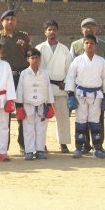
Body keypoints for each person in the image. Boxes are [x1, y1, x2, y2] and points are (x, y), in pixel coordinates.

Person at [0, 10, 31, 154]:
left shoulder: (23, 37)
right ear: (2, 22)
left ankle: (24, 145)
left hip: (21, 77)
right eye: (7, 19)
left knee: (21, 111)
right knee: (4, 112)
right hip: (4, 80)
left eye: (12, 19)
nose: (10, 22)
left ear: (16, 21)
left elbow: (30, 55)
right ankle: (3, 147)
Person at [70, 17, 105, 154]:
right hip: (81, 92)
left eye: (92, 26)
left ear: (96, 29)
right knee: (81, 120)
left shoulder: (104, 47)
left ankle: (98, 146)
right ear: (81, 29)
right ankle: (82, 146)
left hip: (97, 92)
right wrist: (70, 93)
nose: (89, 28)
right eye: (86, 26)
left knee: (96, 120)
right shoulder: (75, 47)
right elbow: (71, 73)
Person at [35, 20, 71, 153]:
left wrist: (66, 83)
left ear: (58, 31)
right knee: (42, 118)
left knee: (63, 117)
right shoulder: (39, 48)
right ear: (45, 32)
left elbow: (69, 69)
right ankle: (41, 143)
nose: (52, 32)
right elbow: (35, 67)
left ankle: (63, 143)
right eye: (49, 29)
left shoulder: (64, 49)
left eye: (54, 29)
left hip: (60, 87)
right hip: (44, 87)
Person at [16, 48, 54, 160]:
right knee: (28, 129)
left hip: (42, 105)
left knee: (41, 129)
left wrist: (50, 104)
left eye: (37, 58)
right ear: (28, 59)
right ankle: (29, 151)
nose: (35, 60)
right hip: (28, 105)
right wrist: (19, 106)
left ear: (40, 59)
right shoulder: (24, 73)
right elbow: (20, 90)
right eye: (32, 58)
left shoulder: (45, 74)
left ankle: (40, 150)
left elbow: (48, 89)